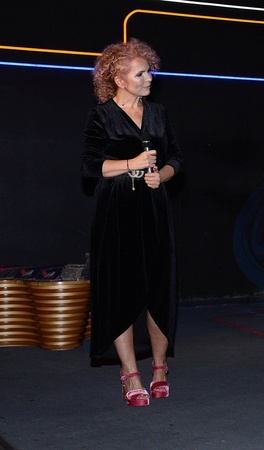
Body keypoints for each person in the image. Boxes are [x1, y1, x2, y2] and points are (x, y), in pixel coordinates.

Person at [82, 38, 184, 407]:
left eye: (149, 71)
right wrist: (133, 164)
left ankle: (159, 368)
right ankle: (130, 374)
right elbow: (90, 166)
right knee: (120, 289)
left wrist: (163, 175)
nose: (149, 78)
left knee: (159, 287)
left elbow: (176, 158)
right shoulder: (102, 115)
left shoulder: (158, 112)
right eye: (140, 74)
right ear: (119, 78)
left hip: (154, 208)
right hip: (116, 210)